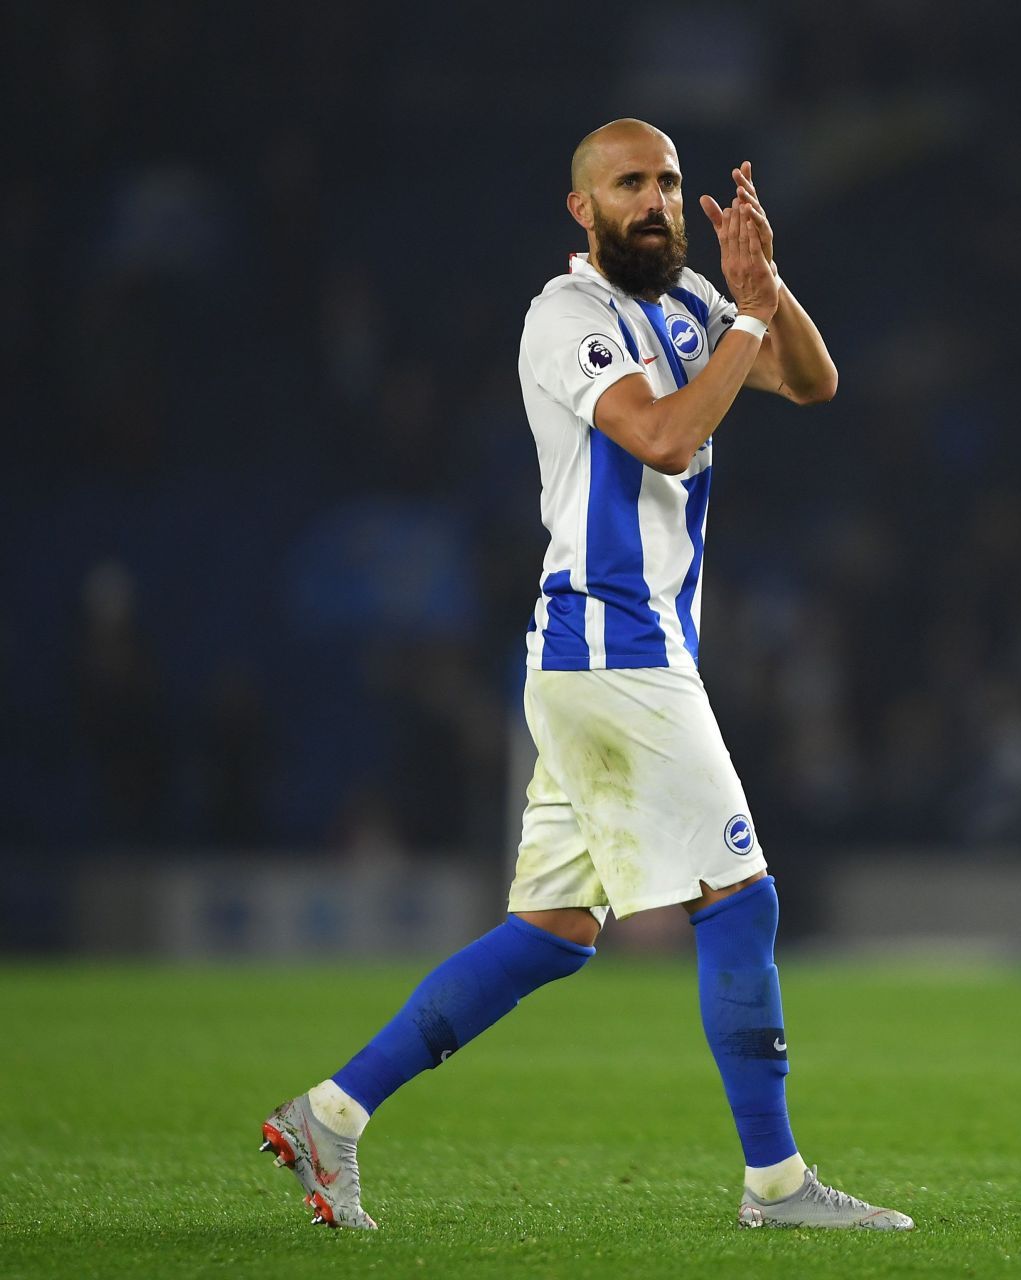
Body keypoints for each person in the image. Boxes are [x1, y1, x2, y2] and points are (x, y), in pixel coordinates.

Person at [259, 119, 912, 1232]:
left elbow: (814, 381)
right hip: (612, 644)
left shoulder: (695, 299)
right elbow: (659, 438)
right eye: (629, 184)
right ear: (585, 208)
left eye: (667, 181)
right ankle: (778, 1184)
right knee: (742, 901)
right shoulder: (568, 318)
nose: (654, 199)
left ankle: (332, 1113)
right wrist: (744, 319)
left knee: (553, 932)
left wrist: (763, 284)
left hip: (617, 653)